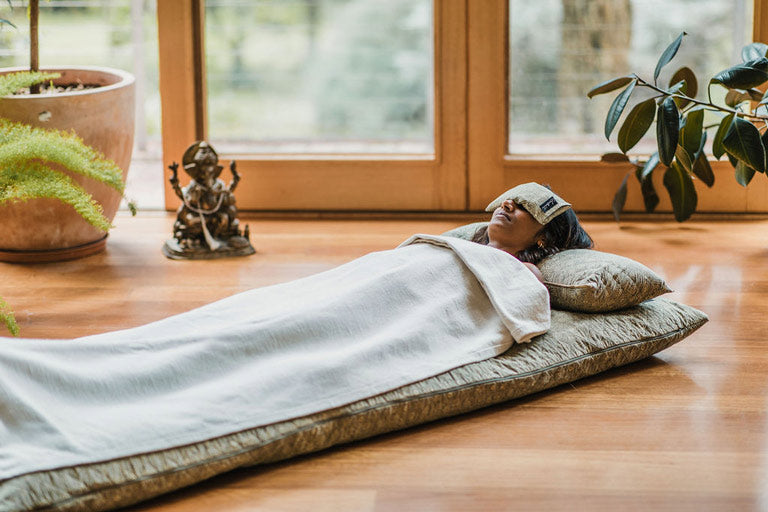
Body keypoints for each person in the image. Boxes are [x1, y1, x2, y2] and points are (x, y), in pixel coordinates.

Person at [470, 182, 593, 280]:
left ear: (543, 237)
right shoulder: (460, 246)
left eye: (524, 207)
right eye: (508, 200)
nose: (506, 204)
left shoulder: (524, 272)